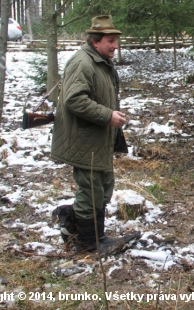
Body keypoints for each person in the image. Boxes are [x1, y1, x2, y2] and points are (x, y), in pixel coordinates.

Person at [51, 15, 134, 253]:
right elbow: (74, 100)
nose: (115, 46)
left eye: (116, 40)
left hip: (98, 138)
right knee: (90, 190)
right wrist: (107, 115)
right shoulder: (83, 62)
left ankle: (87, 232)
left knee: (103, 186)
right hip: (84, 138)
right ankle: (88, 243)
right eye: (110, 40)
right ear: (95, 41)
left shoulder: (98, 60)